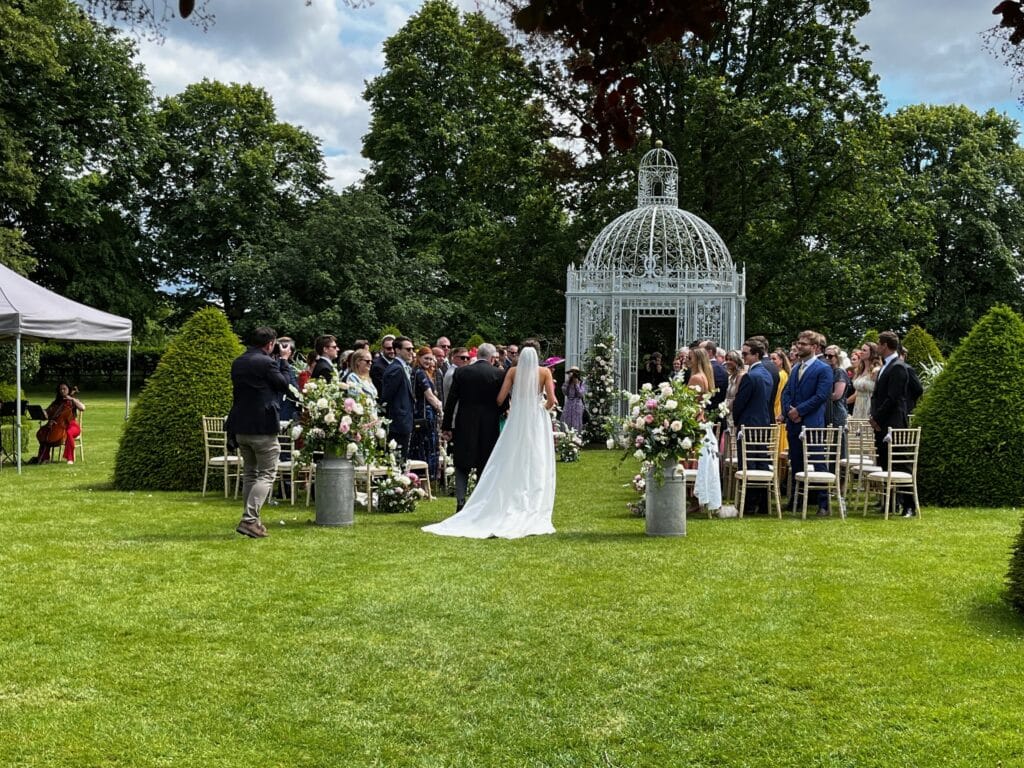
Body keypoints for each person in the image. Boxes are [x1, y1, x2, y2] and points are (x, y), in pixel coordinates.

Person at [423, 343, 557, 539]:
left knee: (504, 457)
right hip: (531, 420)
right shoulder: (543, 372)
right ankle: (530, 500)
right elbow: (551, 401)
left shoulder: (510, 371)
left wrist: (516, 405)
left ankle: (468, 500)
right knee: (534, 458)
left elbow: (500, 398)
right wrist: (538, 409)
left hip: (507, 419)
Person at [225, 327, 291, 538]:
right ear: (270, 344)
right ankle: (249, 519)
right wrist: (283, 360)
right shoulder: (267, 362)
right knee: (267, 474)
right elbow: (284, 384)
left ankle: (254, 522)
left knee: (250, 474)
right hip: (262, 426)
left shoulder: (238, 361)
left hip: (240, 426)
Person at [433, 342, 505, 512]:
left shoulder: (461, 372)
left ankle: (460, 500)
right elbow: (502, 402)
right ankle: (480, 501)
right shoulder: (498, 374)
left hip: (465, 422)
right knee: (485, 462)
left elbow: (451, 401)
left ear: (478, 354)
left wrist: (446, 426)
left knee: (462, 462)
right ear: (492, 357)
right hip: (489, 424)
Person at [780, 330, 833, 514]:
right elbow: (786, 393)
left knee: (818, 461)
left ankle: (823, 504)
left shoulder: (823, 369)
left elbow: (821, 396)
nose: (799, 346)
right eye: (798, 343)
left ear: (815, 347)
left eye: (803, 344)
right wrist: (788, 411)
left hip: (811, 423)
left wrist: (799, 411)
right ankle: (796, 499)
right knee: (796, 462)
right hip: (794, 424)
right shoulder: (795, 369)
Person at [870, 331, 915, 516]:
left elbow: (893, 397)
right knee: (885, 462)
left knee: (900, 463)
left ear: (885, 345)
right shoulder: (885, 367)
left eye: (879, 344)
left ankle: (909, 505)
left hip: (892, 423)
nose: (877, 348)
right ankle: (891, 502)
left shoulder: (898, 367)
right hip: (882, 422)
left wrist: (877, 418)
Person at [410, 347, 444, 483]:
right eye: (426, 358)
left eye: (430, 359)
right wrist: (441, 408)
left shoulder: (425, 372)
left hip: (428, 414)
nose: (428, 361)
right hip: (425, 414)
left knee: (429, 446)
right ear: (419, 358)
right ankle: (425, 479)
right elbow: (429, 396)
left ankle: (428, 479)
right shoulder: (420, 373)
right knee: (425, 446)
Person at [381, 335, 416, 463]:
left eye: (412, 349)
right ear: (397, 350)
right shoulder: (396, 369)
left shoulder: (404, 368)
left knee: (402, 458)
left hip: (404, 420)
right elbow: (387, 397)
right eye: (408, 349)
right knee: (396, 459)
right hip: (397, 421)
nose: (411, 352)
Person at [34, 383, 85, 464]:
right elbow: (47, 413)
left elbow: (82, 407)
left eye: (64, 389)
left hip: (72, 426)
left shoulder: (73, 401)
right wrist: (45, 415)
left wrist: (72, 399)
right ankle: (44, 457)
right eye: (60, 389)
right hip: (59, 426)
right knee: (45, 434)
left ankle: (70, 458)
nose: (62, 391)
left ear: (68, 389)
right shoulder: (56, 403)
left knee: (68, 433)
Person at [849, 342, 880, 421]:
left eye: (864, 350)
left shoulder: (876, 370)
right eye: (861, 349)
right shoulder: (859, 370)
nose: (861, 352)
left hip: (869, 405)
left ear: (872, 353)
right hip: (858, 405)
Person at [561, 365, 587, 431]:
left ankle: (577, 437)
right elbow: (564, 392)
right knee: (567, 419)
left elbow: (581, 394)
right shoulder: (567, 382)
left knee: (577, 421)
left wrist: (576, 384)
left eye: (576, 372)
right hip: (569, 403)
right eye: (572, 372)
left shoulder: (581, 383)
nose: (574, 374)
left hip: (577, 404)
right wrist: (568, 382)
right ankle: (567, 436)